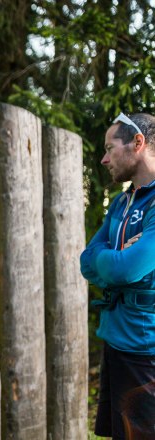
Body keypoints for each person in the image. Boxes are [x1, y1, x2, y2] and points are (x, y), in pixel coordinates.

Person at [80, 112, 155, 440]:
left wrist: (116, 262)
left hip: (146, 351)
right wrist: (118, 257)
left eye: (111, 147)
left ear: (137, 143)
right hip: (116, 342)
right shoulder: (122, 202)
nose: (104, 158)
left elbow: (127, 268)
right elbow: (86, 260)